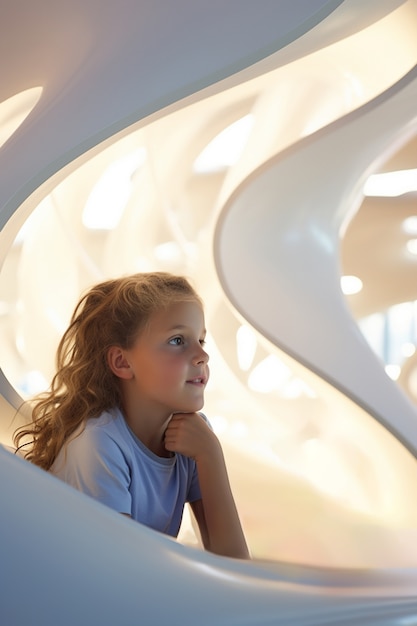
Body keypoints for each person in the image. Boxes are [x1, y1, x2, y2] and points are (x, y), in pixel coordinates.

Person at [14, 272, 249, 559]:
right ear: (122, 362)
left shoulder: (194, 437)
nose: (202, 355)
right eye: (177, 340)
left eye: (201, 340)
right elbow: (122, 573)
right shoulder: (99, 444)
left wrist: (211, 455)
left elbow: (235, 563)